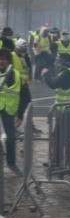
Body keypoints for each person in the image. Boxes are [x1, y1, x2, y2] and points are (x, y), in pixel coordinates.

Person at [41, 53, 70, 168]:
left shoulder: (67, 73)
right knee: (61, 134)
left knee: (59, 135)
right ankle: (65, 160)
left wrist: (46, 74)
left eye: (59, 62)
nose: (57, 64)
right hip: (65, 108)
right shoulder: (69, 72)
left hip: (65, 109)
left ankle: (58, 161)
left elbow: (54, 84)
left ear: (64, 63)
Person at [0, 48, 22, 176]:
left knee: (10, 138)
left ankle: (11, 162)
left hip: (8, 110)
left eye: (4, 59)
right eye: (0, 58)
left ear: (8, 61)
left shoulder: (15, 74)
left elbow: (25, 95)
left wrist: (20, 115)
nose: (1, 61)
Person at [12, 39, 33, 133]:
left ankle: (17, 123)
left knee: (26, 102)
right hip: (16, 84)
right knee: (18, 105)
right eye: (23, 46)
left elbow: (28, 68)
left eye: (25, 47)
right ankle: (15, 125)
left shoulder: (25, 56)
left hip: (23, 84)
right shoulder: (13, 55)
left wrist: (29, 78)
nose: (25, 48)